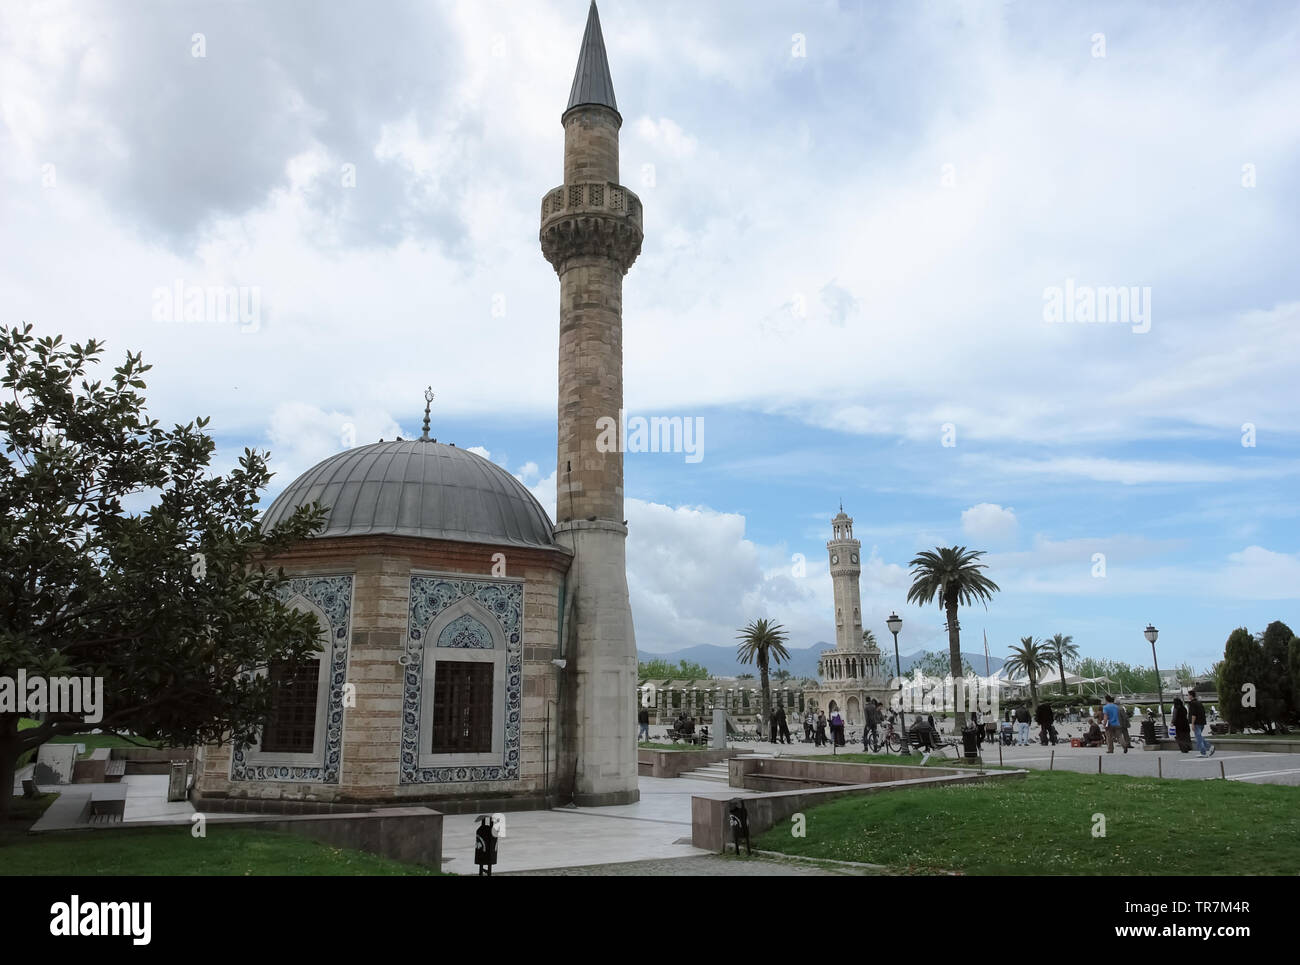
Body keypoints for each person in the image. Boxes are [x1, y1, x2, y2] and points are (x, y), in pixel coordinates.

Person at [1188, 690, 1214, 757]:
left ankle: (1205, 751)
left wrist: (1192, 724)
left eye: (1188, 695)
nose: (1188, 697)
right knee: (1199, 737)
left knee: (1198, 738)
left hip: (1196, 723)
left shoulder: (1192, 703)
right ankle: (1207, 749)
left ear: (1191, 695)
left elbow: (1193, 714)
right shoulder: (1199, 703)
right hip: (1202, 722)